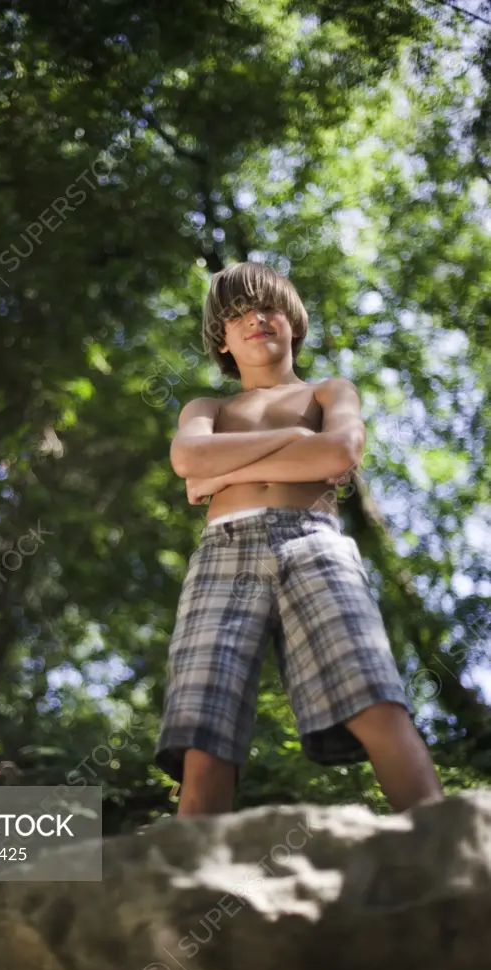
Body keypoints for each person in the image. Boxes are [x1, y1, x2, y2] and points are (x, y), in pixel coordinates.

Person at [155, 261, 443, 816]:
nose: (254, 319)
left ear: (292, 321)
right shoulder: (208, 408)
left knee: (374, 696)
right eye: (237, 315)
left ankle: (448, 850)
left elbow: (338, 453)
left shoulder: (330, 392)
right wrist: (293, 441)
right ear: (222, 339)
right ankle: (191, 886)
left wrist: (219, 474)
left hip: (313, 542)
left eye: (267, 307)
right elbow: (188, 458)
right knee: (203, 729)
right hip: (223, 549)